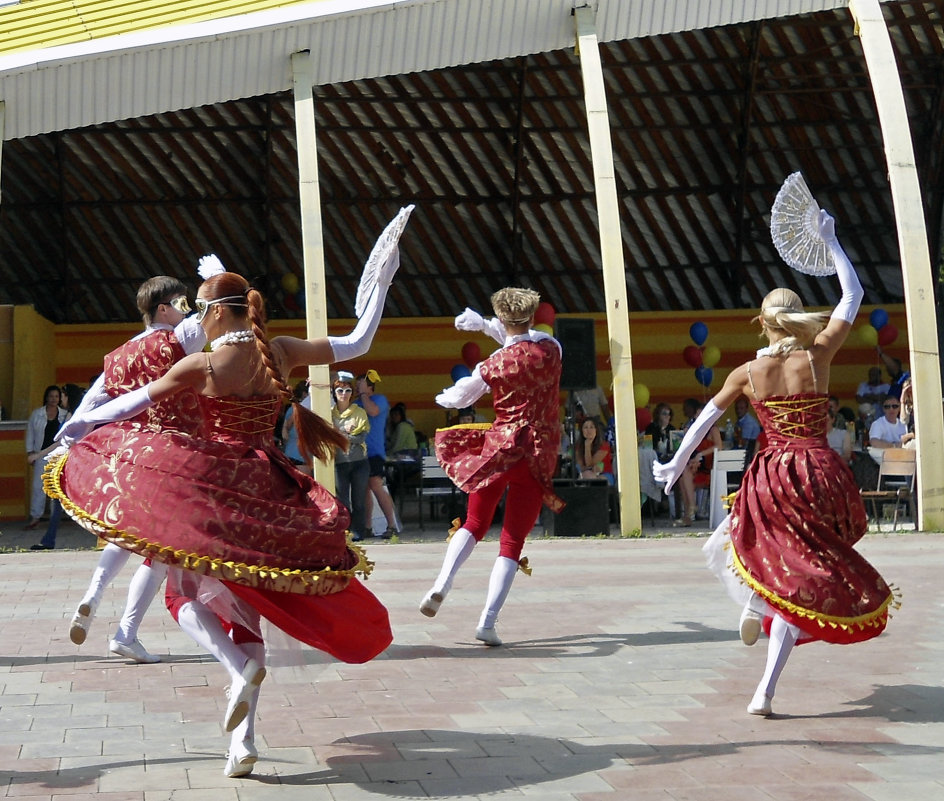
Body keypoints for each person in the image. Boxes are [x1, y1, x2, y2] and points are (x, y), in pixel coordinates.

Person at [49, 256, 398, 778]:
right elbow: (357, 344)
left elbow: (122, 408)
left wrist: (73, 433)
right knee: (248, 608)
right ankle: (243, 742)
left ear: (212, 313)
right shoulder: (278, 351)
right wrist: (380, 282)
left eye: (200, 308)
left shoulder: (205, 365)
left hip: (217, 487)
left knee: (178, 595)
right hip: (272, 490)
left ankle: (238, 673)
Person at [655, 209, 895, 717]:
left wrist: (676, 463)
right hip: (821, 473)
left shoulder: (746, 371)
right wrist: (832, 242)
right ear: (796, 317)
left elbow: (703, 420)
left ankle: (753, 604)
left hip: (773, 478)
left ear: (761, 323)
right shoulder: (817, 357)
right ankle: (763, 680)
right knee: (802, 571)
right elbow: (852, 297)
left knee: (741, 543)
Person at [61, 276, 207, 662]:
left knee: (127, 532)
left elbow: (90, 404)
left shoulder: (117, 355)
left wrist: (67, 439)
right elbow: (218, 312)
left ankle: (93, 594)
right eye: (181, 302)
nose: (186, 308)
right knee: (159, 550)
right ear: (163, 308)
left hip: (132, 457)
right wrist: (216, 277)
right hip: (178, 456)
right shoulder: (181, 339)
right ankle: (126, 631)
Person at [419, 287, 563, 646]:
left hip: (500, 450)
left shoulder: (491, 365)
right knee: (512, 540)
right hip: (538, 453)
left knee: (474, 523)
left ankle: (442, 582)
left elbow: (460, 396)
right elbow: (522, 340)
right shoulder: (551, 349)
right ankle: (487, 621)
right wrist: (486, 326)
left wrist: (448, 394)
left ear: (502, 318)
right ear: (532, 316)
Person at [30, 384, 86, 550]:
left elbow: (59, 443)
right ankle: (49, 539)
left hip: (68, 463)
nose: (60, 399)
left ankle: (49, 540)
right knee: (57, 502)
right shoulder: (72, 415)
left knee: (60, 502)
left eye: (62, 395)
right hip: (68, 463)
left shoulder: (71, 417)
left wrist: (38, 455)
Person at [356, 370, 398, 538]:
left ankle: (392, 524)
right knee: (364, 489)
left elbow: (373, 411)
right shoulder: (356, 403)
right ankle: (367, 526)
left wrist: (365, 395)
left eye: (360, 384)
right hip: (359, 452)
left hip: (374, 451)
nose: (357, 387)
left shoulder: (380, 400)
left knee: (376, 485)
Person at [331, 371, 370, 542]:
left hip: (359, 462)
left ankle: (359, 531)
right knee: (342, 500)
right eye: (340, 391)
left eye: (347, 391)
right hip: (339, 462)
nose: (344, 395)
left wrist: (338, 434)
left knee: (359, 500)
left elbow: (360, 437)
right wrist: (345, 434)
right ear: (334, 392)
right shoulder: (329, 412)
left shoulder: (359, 412)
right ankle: (345, 531)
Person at [25, 385, 69, 530]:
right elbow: (30, 433)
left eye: (56, 396)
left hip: (58, 455)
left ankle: (54, 518)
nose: (53, 399)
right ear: (46, 397)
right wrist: (30, 451)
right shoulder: (37, 414)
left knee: (55, 487)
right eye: (51, 396)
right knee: (38, 487)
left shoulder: (65, 415)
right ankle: (35, 517)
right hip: (40, 453)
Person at [281, 379, 313, 476]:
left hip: (290, 453)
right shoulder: (304, 410)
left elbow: (285, 435)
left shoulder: (291, 409)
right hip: (302, 456)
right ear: (304, 394)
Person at [575, 416, 614, 485]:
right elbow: (582, 466)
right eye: (585, 427)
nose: (588, 430)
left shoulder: (604, 446)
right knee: (586, 475)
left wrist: (587, 446)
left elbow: (589, 463)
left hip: (604, 475)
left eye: (591, 427)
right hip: (586, 475)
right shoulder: (579, 446)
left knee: (590, 477)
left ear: (596, 430)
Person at [868, 393, 908, 460]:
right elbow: (874, 442)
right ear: (883, 409)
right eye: (887, 407)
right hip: (885, 459)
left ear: (899, 408)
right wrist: (894, 446)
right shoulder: (878, 424)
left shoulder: (904, 424)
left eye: (894, 406)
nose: (891, 409)